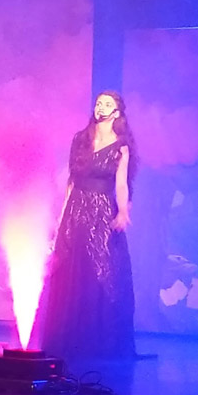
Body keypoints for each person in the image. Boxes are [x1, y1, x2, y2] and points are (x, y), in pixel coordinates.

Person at [40, 90, 138, 359]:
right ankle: (68, 339)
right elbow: (71, 182)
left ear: (116, 112)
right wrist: (62, 216)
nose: (101, 107)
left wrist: (122, 212)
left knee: (103, 271)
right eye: (98, 103)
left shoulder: (121, 147)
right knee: (71, 270)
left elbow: (121, 183)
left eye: (107, 104)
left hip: (102, 211)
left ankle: (99, 341)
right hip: (77, 209)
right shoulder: (80, 140)